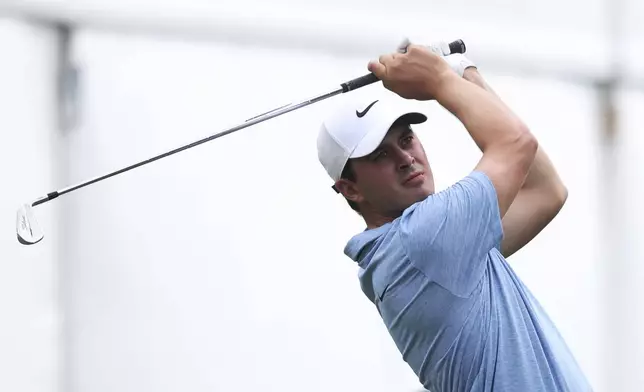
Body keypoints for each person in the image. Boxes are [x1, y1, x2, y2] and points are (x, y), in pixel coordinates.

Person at [316, 41, 594, 391]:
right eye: (379, 155)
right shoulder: (421, 238)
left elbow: (544, 191)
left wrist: (463, 75)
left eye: (406, 139)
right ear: (350, 189)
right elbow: (516, 145)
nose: (405, 158)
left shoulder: (424, 251)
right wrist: (439, 81)